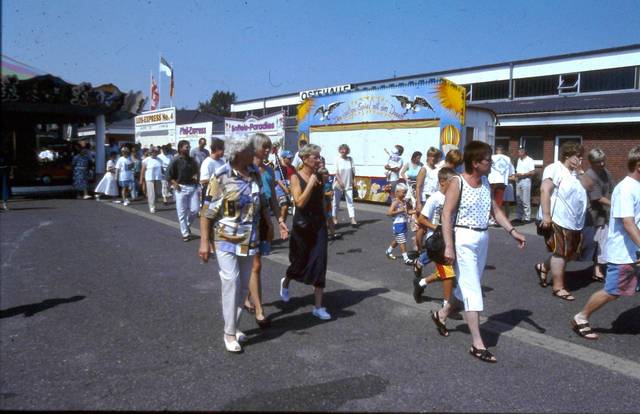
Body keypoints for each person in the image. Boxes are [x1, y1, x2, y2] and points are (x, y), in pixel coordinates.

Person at [432, 141, 526, 363]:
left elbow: (495, 209)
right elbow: (446, 214)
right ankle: (477, 344)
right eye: (488, 160)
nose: (491, 163)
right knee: (472, 290)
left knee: (465, 287)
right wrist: (449, 245)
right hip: (463, 238)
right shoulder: (457, 182)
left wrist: (512, 231)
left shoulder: (484, 181)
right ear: (475, 163)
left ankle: (441, 314)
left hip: (482, 237)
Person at [198, 137, 261, 353]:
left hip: (249, 238)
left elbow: (260, 204)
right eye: (250, 149)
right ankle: (229, 333)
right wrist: (204, 242)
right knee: (231, 281)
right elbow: (206, 211)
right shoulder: (221, 175)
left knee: (243, 286)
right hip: (225, 237)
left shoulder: (254, 173)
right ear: (239, 152)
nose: (254, 152)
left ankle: (234, 325)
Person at [571, 145, 640, 340]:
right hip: (625, 253)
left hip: (635, 249)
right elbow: (628, 223)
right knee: (612, 291)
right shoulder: (626, 189)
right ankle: (581, 317)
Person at [279, 144, 331, 320]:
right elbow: (299, 202)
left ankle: (318, 307)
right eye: (315, 157)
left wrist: (328, 219)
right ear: (304, 158)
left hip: (319, 225)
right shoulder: (295, 177)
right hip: (302, 226)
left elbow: (321, 200)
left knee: (320, 262)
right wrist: (310, 183)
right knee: (299, 262)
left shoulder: (320, 175)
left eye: (319, 157)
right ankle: (286, 281)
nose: (318, 160)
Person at [244, 133, 289, 328]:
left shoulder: (269, 170)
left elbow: (273, 200)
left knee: (255, 264)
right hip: (247, 222)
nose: (268, 150)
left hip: (264, 221)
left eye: (269, 147)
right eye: (265, 146)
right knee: (255, 265)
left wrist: (280, 220)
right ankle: (259, 311)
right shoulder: (245, 169)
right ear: (254, 148)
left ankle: (246, 297)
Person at [534, 142, 588, 301]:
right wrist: (546, 215)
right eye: (577, 156)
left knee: (570, 253)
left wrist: (580, 172)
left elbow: (590, 187)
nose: (580, 159)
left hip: (575, 221)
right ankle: (558, 287)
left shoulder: (577, 173)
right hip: (558, 218)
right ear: (567, 156)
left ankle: (543, 267)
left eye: (581, 157)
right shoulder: (555, 168)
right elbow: (545, 189)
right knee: (561, 252)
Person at [412, 168, 457, 305]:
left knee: (446, 272)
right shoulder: (435, 198)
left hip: (450, 239)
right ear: (442, 182)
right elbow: (421, 219)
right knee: (448, 272)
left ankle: (421, 282)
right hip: (437, 242)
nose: (456, 185)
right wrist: (436, 228)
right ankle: (446, 305)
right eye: (453, 182)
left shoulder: (454, 197)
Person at [580, 148, 614, 282]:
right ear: (591, 162)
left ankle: (597, 270)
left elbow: (612, 189)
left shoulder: (605, 172)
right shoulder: (589, 175)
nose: (602, 164)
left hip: (603, 213)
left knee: (602, 241)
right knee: (589, 243)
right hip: (592, 214)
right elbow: (597, 198)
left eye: (603, 161)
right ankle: (548, 265)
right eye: (598, 162)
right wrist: (615, 205)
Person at [166, 140, 200, 241]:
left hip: (192, 187)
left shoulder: (192, 160)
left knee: (195, 210)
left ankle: (186, 225)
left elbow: (197, 171)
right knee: (182, 212)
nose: (188, 148)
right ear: (180, 148)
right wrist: (174, 183)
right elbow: (168, 174)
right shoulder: (175, 160)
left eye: (189, 147)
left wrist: (196, 178)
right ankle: (185, 234)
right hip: (180, 188)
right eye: (186, 147)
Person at [414, 147, 442, 250]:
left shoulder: (437, 169)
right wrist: (418, 203)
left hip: (434, 199)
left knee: (431, 223)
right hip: (424, 199)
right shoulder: (424, 169)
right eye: (431, 156)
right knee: (422, 226)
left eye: (435, 156)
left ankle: (427, 246)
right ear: (427, 157)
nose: (433, 158)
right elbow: (418, 186)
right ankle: (419, 249)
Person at [385, 183, 415, 265]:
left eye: (405, 192)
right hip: (397, 224)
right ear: (397, 192)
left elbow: (408, 211)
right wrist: (399, 211)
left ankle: (388, 251)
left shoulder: (404, 202)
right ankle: (406, 259)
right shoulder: (395, 202)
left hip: (404, 223)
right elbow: (389, 213)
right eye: (403, 192)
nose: (405, 194)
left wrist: (416, 211)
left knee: (399, 239)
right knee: (402, 241)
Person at [488, 145, 515, 224]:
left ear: (496, 150)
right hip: (502, 182)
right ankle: (496, 219)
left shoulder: (491, 157)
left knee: (490, 200)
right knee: (498, 202)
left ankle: (491, 218)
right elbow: (511, 173)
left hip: (492, 181)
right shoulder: (508, 159)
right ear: (503, 151)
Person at [332, 144, 357, 227]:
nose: (343, 151)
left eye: (344, 149)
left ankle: (352, 219)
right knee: (336, 202)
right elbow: (336, 172)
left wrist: (354, 181)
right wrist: (340, 182)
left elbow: (353, 171)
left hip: (348, 184)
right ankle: (334, 218)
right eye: (341, 149)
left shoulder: (350, 159)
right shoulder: (337, 159)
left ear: (347, 151)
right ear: (339, 150)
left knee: (350, 202)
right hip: (338, 184)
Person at [514, 146, 536, 223]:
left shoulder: (530, 160)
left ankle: (527, 218)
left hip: (526, 180)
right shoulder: (519, 160)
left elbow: (533, 172)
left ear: (524, 152)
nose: (518, 153)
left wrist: (523, 174)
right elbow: (517, 171)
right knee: (519, 200)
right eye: (518, 152)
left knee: (525, 200)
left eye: (520, 152)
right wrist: (516, 176)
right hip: (518, 181)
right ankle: (519, 217)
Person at [139, 147, 163, 213]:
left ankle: (154, 202)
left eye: (156, 152)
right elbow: (142, 170)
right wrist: (141, 179)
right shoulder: (146, 160)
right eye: (154, 152)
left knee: (158, 193)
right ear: (151, 152)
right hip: (150, 178)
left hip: (158, 178)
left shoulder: (159, 160)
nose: (155, 153)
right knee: (151, 193)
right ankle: (152, 206)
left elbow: (162, 169)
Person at [318, 167, 340, 240]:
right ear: (321, 175)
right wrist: (327, 193)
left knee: (330, 218)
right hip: (321, 204)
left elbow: (331, 190)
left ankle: (333, 233)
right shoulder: (319, 184)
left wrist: (332, 193)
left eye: (327, 173)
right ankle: (321, 235)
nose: (327, 175)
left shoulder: (328, 183)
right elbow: (319, 194)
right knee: (322, 219)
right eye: (325, 174)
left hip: (328, 203)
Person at [274, 150, 294, 224]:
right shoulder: (278, 168)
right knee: (284, 207)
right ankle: (281, 225)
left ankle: (284, 223)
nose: (290, 160)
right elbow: (278, 180)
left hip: (291, 190)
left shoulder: (292, 168)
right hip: (281, 191)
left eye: (291, 158)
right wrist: (285, 189)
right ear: (284, 158)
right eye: (288, 158)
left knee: (288, 209)